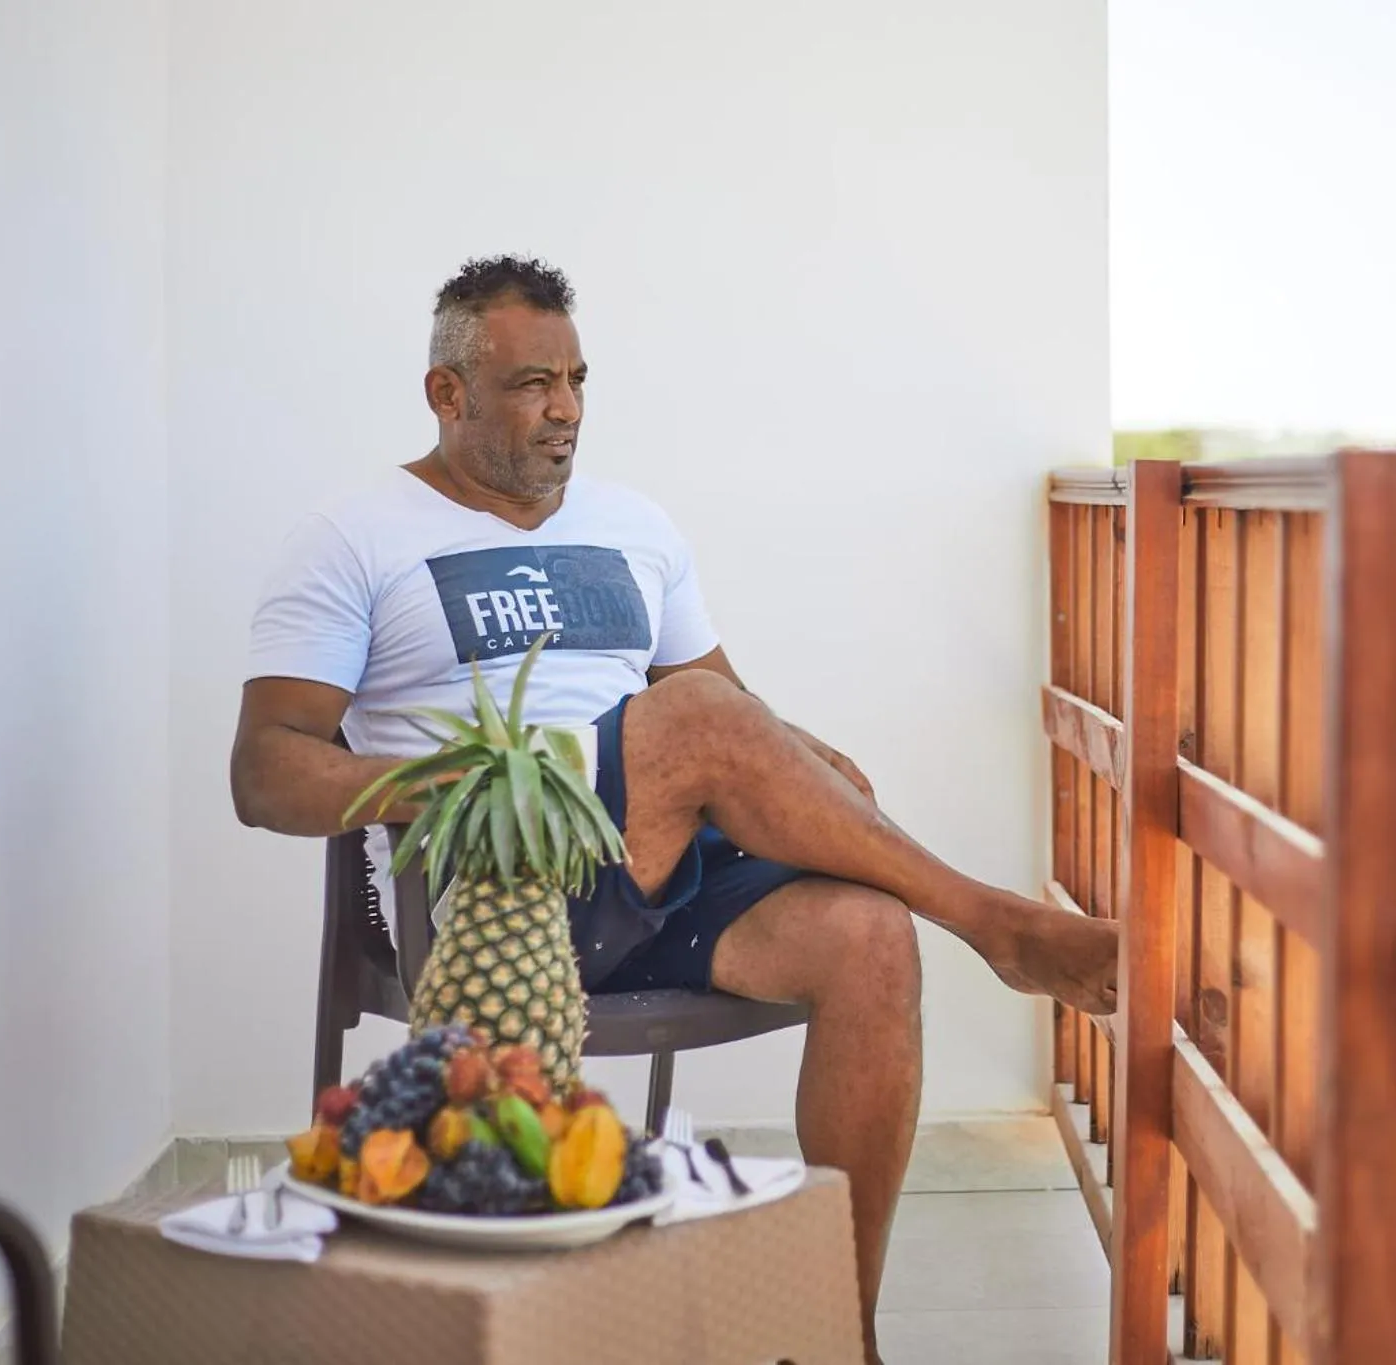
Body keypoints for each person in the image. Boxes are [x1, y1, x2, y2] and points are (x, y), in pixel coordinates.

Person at [229, 254, 1118, 1361]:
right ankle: (994, 920)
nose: (564, 411)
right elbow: (265, 772)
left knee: (869, 935)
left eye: (577, 380)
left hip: (655, 864)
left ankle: (838, 1334)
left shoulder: (633, 523)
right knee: (693, 717)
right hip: (493, 888)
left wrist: (808, 767)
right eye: (530, 384)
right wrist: (455, 779)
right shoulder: (354, 537)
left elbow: (728, 714)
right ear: (446, 394)